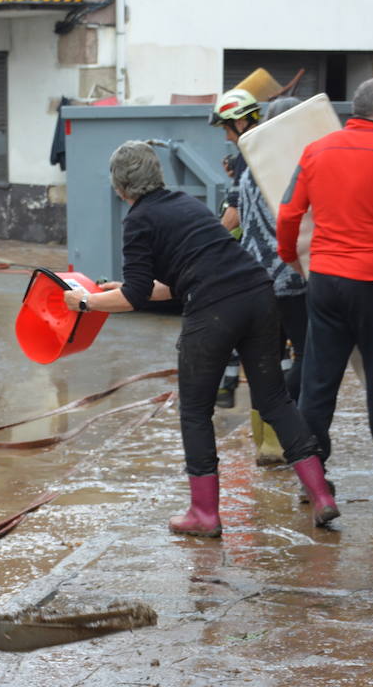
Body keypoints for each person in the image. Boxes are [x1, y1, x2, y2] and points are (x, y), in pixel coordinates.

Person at [62, 141, 339, 536]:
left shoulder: (138, 219)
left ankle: (204, 514)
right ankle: (322, 496)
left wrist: (86, 302)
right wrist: (119, 289)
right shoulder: (184, 204)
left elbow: (134, 297)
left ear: (119, 188)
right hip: (258, 294)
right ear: (157, 175)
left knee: (194, 410)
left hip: (214, 309)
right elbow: (170, 285)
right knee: (275, 400)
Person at [277, 78, 373, 496]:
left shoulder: (315, 151)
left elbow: (289, 212)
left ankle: (313, 477)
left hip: (326, 283)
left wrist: (288, 256)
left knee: (318, 382)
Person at [235, 96, 309, 464]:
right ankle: (286, 431)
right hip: (291, 280)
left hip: (254, 279)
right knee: (310, 357)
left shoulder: (251, 167)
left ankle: (266, 445)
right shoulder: (291, 168)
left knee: (266, 360)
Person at [209, 87, 263, 408]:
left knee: (223, 313)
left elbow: (234, 214)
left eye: (227, 129)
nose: (228, 137)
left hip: (251, 257)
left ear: (240, 124)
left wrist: (209, 243)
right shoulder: (263, 148)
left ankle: (225, 387)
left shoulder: (249, 152)